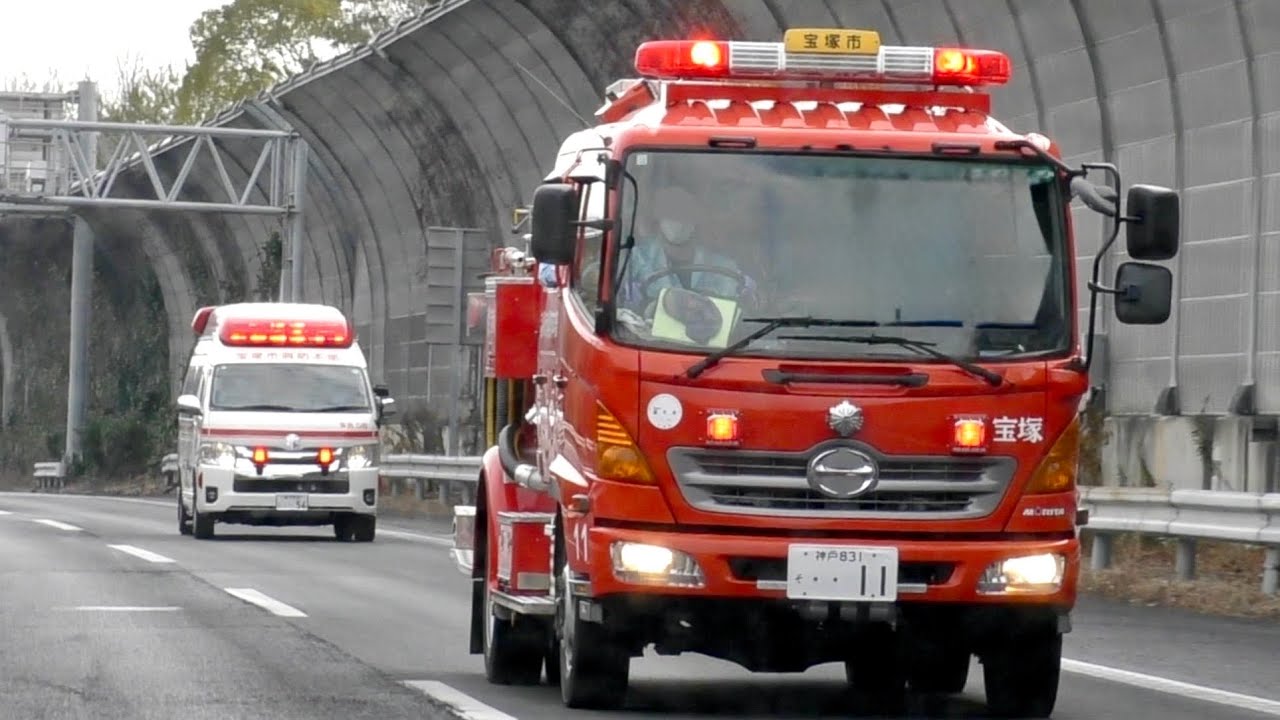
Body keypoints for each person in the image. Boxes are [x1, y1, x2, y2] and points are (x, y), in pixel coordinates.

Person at [614, 185, 756, 316]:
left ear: (696, 219)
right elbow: (599, 283)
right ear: (658, 218)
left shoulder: (724, 266)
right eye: (671, 214)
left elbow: (746, 306)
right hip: (645, 340)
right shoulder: (636, 258)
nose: (677, 221)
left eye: (684, 214)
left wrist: (747, 294)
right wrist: (626, 295)